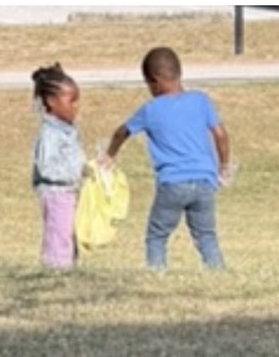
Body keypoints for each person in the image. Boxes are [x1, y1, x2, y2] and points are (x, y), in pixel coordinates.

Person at [102, 47, 230, 270]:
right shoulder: (201, 100)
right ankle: (217, 270)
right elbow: (220, 134)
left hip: (173, 183)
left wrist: (109, 154)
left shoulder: (151, 109)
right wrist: (224, 166)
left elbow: (122, 132)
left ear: (155, 81)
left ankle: (157, 272)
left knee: (157, 235)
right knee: (206, 235)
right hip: (204, 182)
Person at [31, 63, 86, 270]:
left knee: (69, 232)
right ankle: (56, 266)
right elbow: (46, 167)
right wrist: (73, 173)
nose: (76, 106)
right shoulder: (50, 133)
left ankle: (69, 264)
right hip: (56, 193)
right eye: (71, 100)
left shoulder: (67, 130)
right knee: (58, 232)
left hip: (68, 191)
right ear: (51, 102)